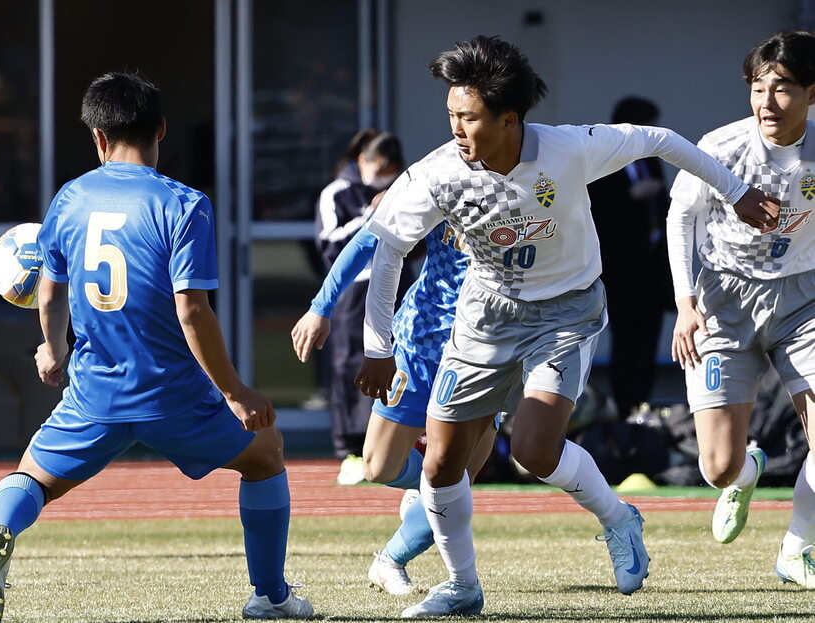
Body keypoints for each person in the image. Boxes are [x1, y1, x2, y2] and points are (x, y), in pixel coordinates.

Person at [356, 36, 780, 618]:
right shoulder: (436, 174)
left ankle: (618, 518)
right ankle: (462, 587)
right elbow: (385, 251)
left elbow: (657, 139)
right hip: (483, 317)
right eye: (450, 114)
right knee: (440, 465)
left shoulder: (568, 149)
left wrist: (734, 192)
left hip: (566, 313)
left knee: (532, 448)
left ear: (509, 119)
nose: (455, 128)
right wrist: (377, 347)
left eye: (468, 117)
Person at [0, 72, 313, 622]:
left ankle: (0, 532)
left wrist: (52, 350)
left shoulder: (70, 198)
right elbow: (191, 311)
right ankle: (270, 596)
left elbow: (50, 288)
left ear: (98, 138)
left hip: (95, 394)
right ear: (162, 130)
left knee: (29, 478)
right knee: (266, 453)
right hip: (174, 396)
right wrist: (236, 391)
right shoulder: (185, 204)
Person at [292, 190, 500, 596]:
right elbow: (371, 239)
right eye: (458, 119)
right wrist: (321, 307)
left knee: (456, 483)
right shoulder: (444, 179)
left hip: (485, 353)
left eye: (469, 119)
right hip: (419, 345)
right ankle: (420, 488)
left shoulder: (536, 185)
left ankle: (390, 561)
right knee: (378, 467)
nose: (461, 127)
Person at [667, 30, 815, 586]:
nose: (767, 102)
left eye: (782, 89)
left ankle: (796, 547)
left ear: (812, 93)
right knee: (717, 466)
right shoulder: (723, 145)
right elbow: (680, 218)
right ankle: (746, 470)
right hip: (722, 302)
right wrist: (685, 304)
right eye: (758, 88)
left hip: (803, 300)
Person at [314, 129, 405, 485]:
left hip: (397, 284)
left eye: (392, 168)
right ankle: (349, 449)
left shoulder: (402, 188)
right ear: (363, 161)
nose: (385, 175)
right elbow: (329, 243)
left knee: (399, 361)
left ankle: (392, 443)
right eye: (381, 166)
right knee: (351, 363)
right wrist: (369, 214)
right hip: (354, 291)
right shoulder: (336, 193)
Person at [588, 96, 672, 418]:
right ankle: (623, 406)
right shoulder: (605, 161)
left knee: (649, 336)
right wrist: (631, 196)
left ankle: (643, 405)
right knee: (625, 337)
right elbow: (597, 209)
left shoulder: (650, 160)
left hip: (651, 266)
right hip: (622, 269)